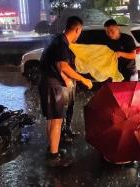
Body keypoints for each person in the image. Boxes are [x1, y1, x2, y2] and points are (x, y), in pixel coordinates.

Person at [39, 16, 93, 167]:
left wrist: (65, 77)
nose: (79, 34)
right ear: (77, 29)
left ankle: (52, 149)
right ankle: (54, 158)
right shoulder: (62, 44)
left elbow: (55, 63)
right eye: (80, 31)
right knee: (57, 120)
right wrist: (83, 79)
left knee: (51, 119)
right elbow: (63, 66)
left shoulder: (57, 40)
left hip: (47, 81)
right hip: (52, 84)